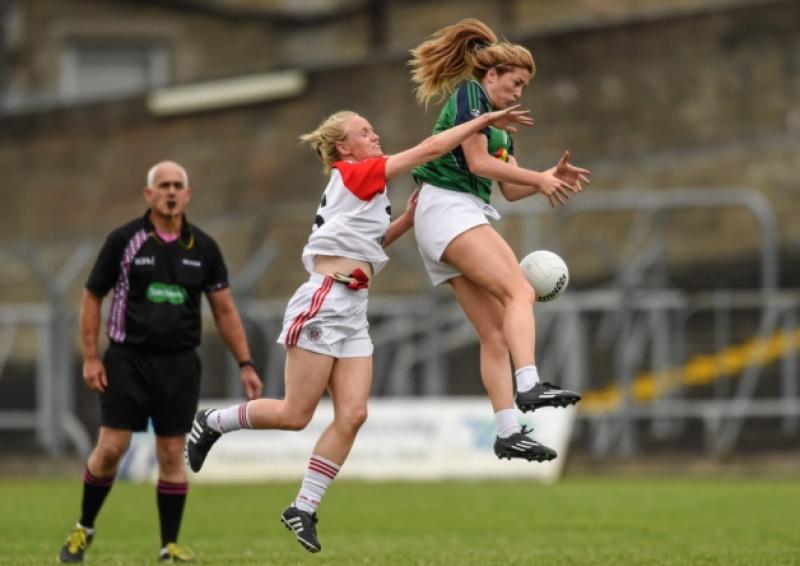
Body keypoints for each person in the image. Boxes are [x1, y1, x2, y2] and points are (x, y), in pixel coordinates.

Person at [185, 104, 532, 554]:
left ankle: (303, 508)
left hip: (353, 308)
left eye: (372, 129)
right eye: (364, 132)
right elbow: (430, 148)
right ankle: (212, 421)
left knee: (354, 414)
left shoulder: (360, 186)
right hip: (324, 301)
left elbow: (364, 245)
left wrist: (405, 222)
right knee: (296, 414)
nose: (374, 135)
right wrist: (481, 121)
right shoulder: (356, 172)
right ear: (343, 148)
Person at [57, 161, 263, 564]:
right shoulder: (125, 241)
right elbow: (92, 295)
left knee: (171, 454)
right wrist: (90, 356)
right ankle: (84, 528)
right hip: (127, 359)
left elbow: (224, 310)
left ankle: (168, 546)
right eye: (163, 185)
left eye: (178, 186)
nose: (170, 192)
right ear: (149, 194)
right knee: (111, 448)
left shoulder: (204, 248)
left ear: (187, 195)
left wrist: (246, 363)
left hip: (181, 363)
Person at [408, 19, 592, 462]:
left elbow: (508, 188)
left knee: (494, 334)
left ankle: (508, 431)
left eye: (524, 86)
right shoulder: (472, 96)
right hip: (447, 209)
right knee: (520, 290)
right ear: (490, 76)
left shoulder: (503, 128)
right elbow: (476, 163)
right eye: (515, 83)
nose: (518, 93)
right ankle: (528, 383)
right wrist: (540, 178)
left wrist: (547, 176)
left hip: (449, 215)